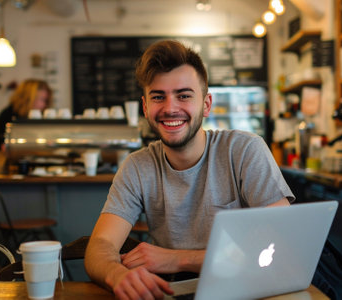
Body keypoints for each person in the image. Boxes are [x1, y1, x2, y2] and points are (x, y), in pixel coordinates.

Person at [84, 40, 295, 299]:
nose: (170, 108)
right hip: (174, 291)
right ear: (146, 107)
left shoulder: (244, 150)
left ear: (206, 104)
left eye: (184, 95)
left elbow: (281, 242)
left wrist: (177, 260)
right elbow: (100, 246)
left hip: (247, 288)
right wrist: (117, 275)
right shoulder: (137, 167)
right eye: (158, 97)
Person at [0, 79, 52, 150]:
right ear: (29, 97)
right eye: (42, 99)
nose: (44, 105)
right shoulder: (8, 115)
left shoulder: (36, 116)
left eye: (45, 101)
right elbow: (4, 147)